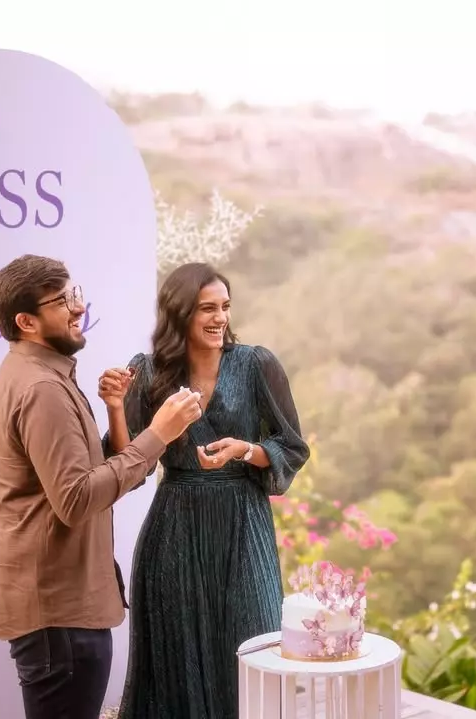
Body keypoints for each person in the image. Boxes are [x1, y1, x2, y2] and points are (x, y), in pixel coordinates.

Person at [0, 254, 203, 719]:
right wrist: (159, 434)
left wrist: (116, 411)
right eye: (62, 301)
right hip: (59, 614)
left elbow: (86, 477)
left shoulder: (41, 376)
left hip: (58, 611)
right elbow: (77, 499)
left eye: (75, 294)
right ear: (26, 322)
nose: (79, 308)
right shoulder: (42, 389)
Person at [98, 262, 310, 719]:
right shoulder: (148, 372)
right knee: (177, 664)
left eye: (225, 307)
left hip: (243, 527)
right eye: (207, 309)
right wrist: (116, 407)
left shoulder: (255, 364)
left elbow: (292, 445)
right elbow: (127, 463)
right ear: (180, 314)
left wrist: (246, 450)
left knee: (253, 649)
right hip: (175, 529)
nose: (220, 318)